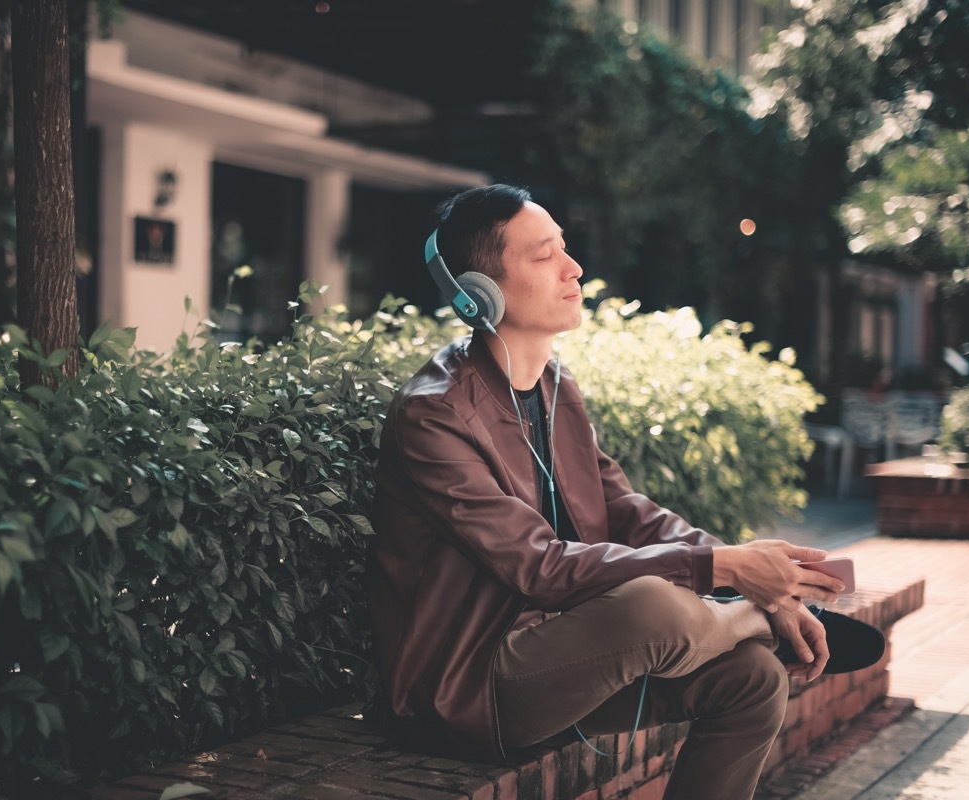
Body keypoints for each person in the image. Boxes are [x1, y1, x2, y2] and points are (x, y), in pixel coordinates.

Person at [365, 184, 883, 799]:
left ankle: (748, 625)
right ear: (479, 293)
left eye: (566, 248)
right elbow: (537, 565)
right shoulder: (436, 414)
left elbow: (625, 510)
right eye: (544, 255)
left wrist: (736, 564)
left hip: (568, 654)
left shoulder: (555, 385)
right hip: (470, 686)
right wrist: (733, 578)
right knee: (655, 608)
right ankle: (747, 619)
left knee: (754, 680)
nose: (573, 267)